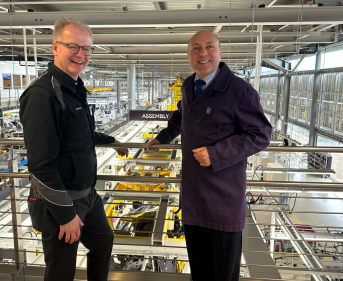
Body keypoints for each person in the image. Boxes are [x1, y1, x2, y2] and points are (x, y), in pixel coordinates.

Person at [146, 30, 272, 281]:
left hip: (222, 202)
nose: (203, 54)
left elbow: (261, 134)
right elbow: (181, 116)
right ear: (188, 54)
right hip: (193, 200)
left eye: (209, 47)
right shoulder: (188, 84)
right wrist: (162, 138)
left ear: (220, 52)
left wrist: (216, 154)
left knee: (222, 274)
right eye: (195, 48)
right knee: (200, 271)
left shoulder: (239, 91)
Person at [20, 18, 128, 281]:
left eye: (87, 49)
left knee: (102, 241)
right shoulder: (43, 94)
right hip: (62, 201)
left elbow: (78, 133)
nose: (81, 54)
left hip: (87, 196)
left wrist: (111, 141)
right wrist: (66, 214)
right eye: (74, 47)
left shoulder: (75, 88)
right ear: (55, 47)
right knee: (61, 271)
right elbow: (41, 165)